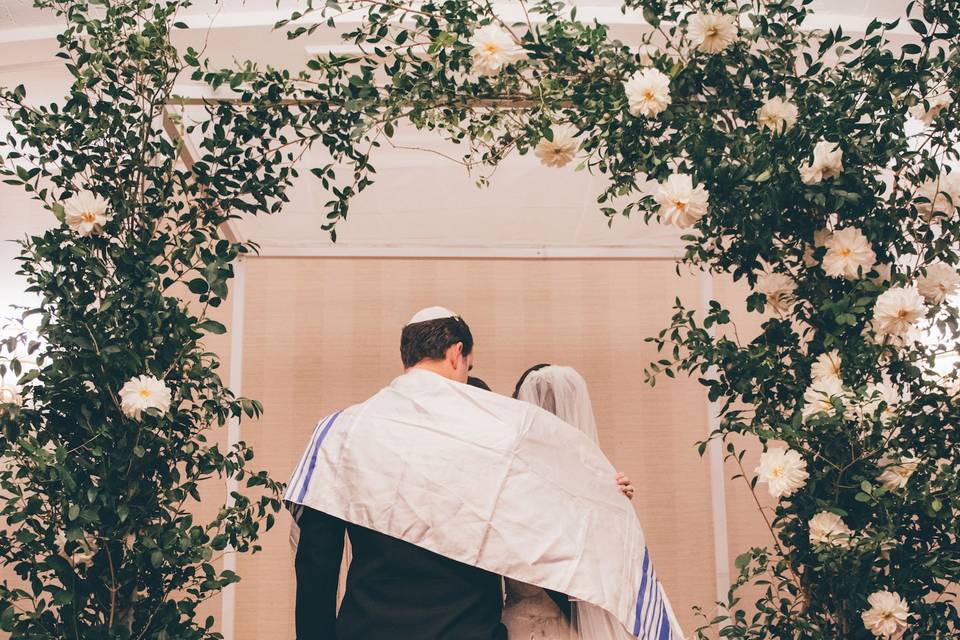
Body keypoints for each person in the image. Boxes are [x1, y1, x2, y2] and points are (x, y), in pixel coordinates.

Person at [285, 307, 683, 640]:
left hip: (367, 629)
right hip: (467, 630)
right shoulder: (496, 431)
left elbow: (316, 563)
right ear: (458, 353)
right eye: (468, 366)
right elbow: (544, 519)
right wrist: (598, 492)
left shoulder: (341, 430)